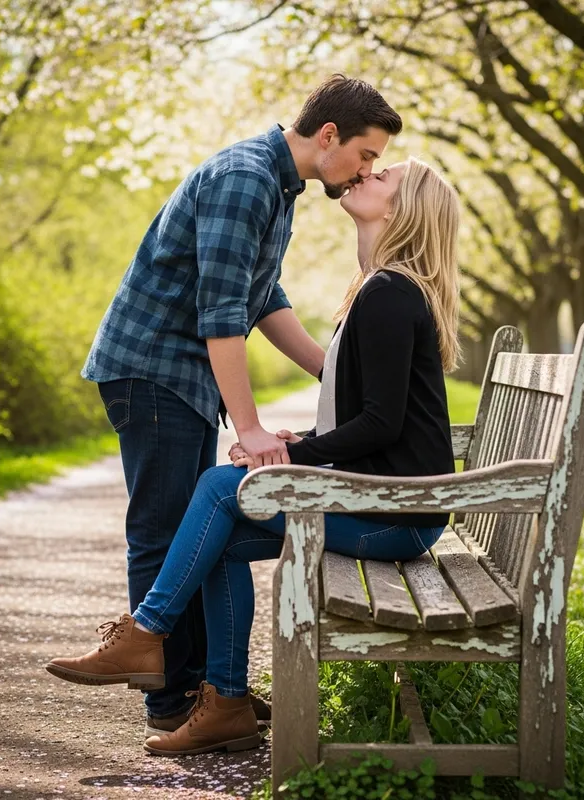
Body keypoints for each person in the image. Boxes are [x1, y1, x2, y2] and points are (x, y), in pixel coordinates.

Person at [48, 156, 461, 757]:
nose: (364, 175)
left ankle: (149, 631)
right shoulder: (379, 289)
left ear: (403, 209)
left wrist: (297, 457)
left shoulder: (391, 293)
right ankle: (226, 703)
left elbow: (381, 423)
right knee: (223, 535)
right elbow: (375, 418)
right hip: (388, 504)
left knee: (223, 487)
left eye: (382, 177)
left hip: (399, 516)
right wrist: (298, 445)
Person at [79, 74, 402, 737]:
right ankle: (171, 702)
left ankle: (205, 689)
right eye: (367, 155)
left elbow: (263, 297)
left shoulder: (280, 187)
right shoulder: (247, 177)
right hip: (153, 369)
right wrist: (250, 426)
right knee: (164, 532)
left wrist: (329, 369)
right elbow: (222, 314)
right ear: (330, 135)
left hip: (179, 377)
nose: (368, 169)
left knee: (193, 529)